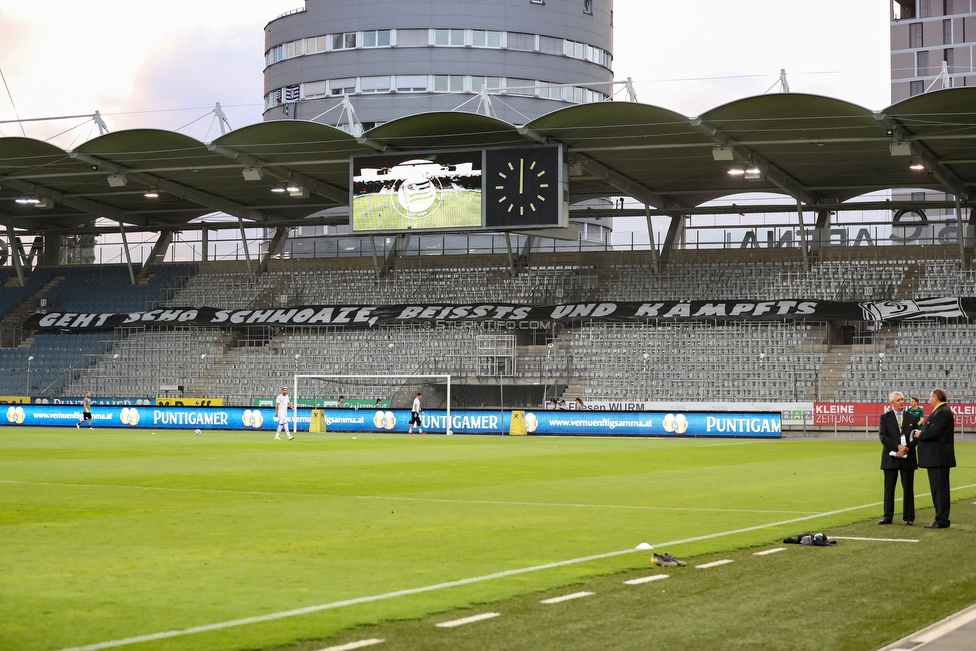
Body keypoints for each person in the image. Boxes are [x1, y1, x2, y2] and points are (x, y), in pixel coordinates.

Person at [914, 388, 955, 528]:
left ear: (936, 397)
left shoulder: (941, 412)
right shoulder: (941, 411)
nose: (929, 399)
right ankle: (941, 518)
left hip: (938, 458)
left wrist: (920, 434)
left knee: (939, 489)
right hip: (938, 458)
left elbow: (933, 432)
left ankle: (941, 519)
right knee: (939, 488)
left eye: (930, 397)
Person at [877, 391, 918, 525]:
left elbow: (915, 436)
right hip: (891, 457)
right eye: (899, 400)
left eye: (902, 399)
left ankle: (909, 517)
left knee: (908, 488)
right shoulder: (885, 417)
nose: (902, 402)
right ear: (892, 403)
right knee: (889, 488)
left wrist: (907, 448)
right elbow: (883, 437)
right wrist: (897, 447)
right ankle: (888, 516)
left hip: (908, 456)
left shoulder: (912, 418)